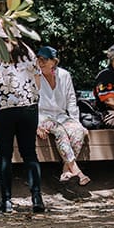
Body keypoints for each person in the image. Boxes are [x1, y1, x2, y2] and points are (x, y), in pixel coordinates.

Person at [0, 30, 44, 213]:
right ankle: (37, 198)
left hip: (2, 109)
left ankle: (6, 200)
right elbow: (37, 82)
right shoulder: (28, 52)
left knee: (5, 154)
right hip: (28, 107)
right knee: (29, 153)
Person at [34, 46, 91, 185]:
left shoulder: (64, 75)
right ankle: (76, 170)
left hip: (60, 115)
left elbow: (71, 100)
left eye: (44, 60)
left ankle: (66, 169)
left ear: (54, 62)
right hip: (42, 116)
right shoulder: (34, 76)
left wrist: (77, 122)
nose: (40, 62)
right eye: (38, 59)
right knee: (59, 131)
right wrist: (35, 124)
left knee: (78, 131)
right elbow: (29, 102)